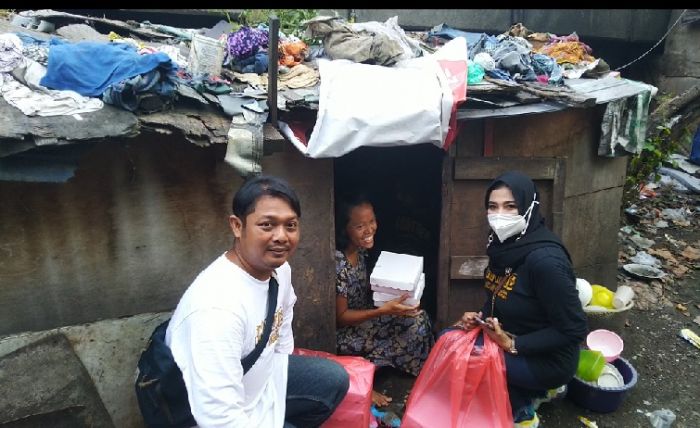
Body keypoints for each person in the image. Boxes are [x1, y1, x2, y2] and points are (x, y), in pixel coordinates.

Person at [166, 175, 349, 428]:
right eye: (267, 225)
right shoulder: (216, 309)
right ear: (237, 226)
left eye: (291, 225)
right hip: (216, 416)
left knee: (333, 379)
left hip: (259, 386)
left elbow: (282, 329)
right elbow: (219, 417)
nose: (281, 236)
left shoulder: (280, 270)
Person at [455, 171, 588, 427]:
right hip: (510, 336)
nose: (500, 215)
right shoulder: (503, 247)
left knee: (467, 361)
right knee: (450, 340)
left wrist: (514, 343)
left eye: (511, 206)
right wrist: (480, 318)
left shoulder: (545, 262)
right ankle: (520, 391)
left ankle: (523, 410)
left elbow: (574, 330)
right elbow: (501, 296)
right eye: (493, 207)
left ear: (529, 208)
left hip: (547, 360)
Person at [334, 193, 434, 407]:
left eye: (372, 221)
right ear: (344, 229)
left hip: (364, 318)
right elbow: (341, 318)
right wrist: (383, 311)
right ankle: (359, 378)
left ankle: (419, 376)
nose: (369, 230)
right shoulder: (339, 264)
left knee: (419, 318)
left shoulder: (360, 251)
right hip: (344, 334)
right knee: (411, 331)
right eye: (360, 226)